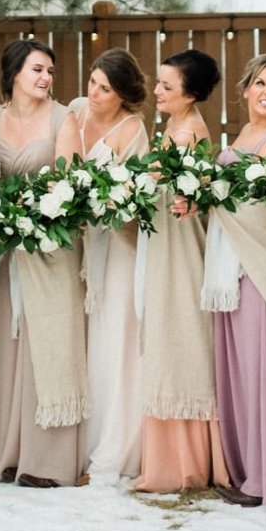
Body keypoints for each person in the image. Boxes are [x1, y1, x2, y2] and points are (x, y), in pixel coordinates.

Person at [0, 38, 86, 487]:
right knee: (8, 341)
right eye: (37, 70)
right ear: (14, 74)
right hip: (6, 250)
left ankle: (48, 460)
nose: (45, 78)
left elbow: (72, 184)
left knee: (51, 342)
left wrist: (38, 215)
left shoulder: (65, 119)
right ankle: (5, 452)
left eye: (49, 71)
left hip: (51, 245)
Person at [206, 56, 266, 509]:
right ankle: (247, 466)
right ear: (245, 88)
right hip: (233, 265)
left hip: (262, 265)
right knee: (241, 368)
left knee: (264, 366)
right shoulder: (243, 136)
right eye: (261, 83)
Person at [135, 49, 229, 493]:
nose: (156, 91)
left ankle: (185, 461)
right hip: (162, 243)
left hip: (181, 247)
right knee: (165, 336)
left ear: (191, 95)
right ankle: (165, 458)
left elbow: (193, 194)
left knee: (181, 336)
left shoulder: (191, 131)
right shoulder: (173, 125)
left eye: (166, 87)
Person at [62, 49, 149, 486]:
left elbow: (137, 196)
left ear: (123, 94)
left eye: (105, 88)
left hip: (116, 245)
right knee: (84, 335)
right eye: (93, 82)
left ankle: (114, 445)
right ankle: (76, 441)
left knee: (113, 338)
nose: (94, 93)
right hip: (78, 243)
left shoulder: (132, 129)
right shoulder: (75, 111)